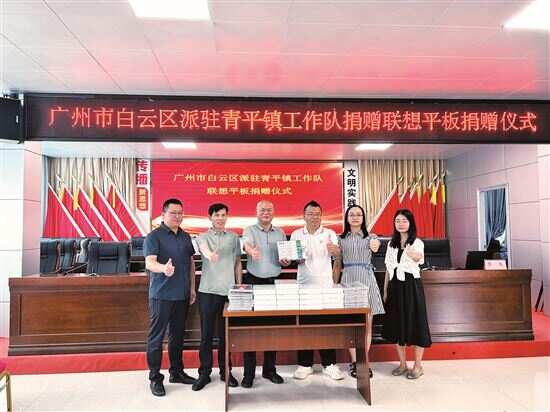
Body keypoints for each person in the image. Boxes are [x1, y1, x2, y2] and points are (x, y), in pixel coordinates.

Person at [144, 198, 197, 397]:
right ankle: (155, 378)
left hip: (182, 295)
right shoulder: (154, 236)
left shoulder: (185, 236)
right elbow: (149, 262)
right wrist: (163, 269)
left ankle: (176, 372)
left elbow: (191, 263)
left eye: (180, 213)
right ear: (163, 214)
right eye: (173, 213)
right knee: (156, 338)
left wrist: (192, 288)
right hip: (161, 295)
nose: (177, 216)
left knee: (177, 336)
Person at [290, 200, 344, 381]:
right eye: (310, 214)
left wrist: (336, 251)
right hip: (304, 286)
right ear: (304, 216)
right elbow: (295, 259)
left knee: (327, 326)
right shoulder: (297, 234)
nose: (313, 217)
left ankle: (329, 364)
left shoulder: (330, 233)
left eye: (317, 214)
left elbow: (337, 256)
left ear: (321, 216)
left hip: (325, 287)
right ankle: (305, 365)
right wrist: (296, 257)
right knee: (304, 325)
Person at [192, 203, 242, 391]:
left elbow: (237, 262)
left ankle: (225, 371)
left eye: (223, 215)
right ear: (210, 218)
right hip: (207, 291)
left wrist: (239, 286)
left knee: (225, 335)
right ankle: (204, 373)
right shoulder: (202, 237)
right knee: (206, 335)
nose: (220, 218)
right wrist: (209, 255)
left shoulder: (233, 237)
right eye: (217, 215)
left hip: (228, 292)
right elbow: (204, 249)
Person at [241, 200, 288, 388]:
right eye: (262, 210)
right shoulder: (250, 230)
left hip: (274, 283)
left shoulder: (280, 232)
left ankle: (269, 370)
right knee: (251, 329)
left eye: (269, 210)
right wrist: (251, 250)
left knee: (272, 329)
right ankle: (249, 374)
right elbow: (246, 244)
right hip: (254, 282)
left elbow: (284, 257)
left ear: (273, 212)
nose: (266, 213)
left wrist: (285, 261)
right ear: (256, 212)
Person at [333, 204, 384, 379]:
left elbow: (375, 246)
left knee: (367, 324)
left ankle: (364, 361)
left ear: (363, 218)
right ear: (347, 218)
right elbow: (337, 264)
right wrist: (334, 284)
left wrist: (375, 244)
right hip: (347, 280)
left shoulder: (371, 237)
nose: (355, 217)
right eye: (352, 215)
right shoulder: (340, 239)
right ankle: (355, 362)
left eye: (359, 215)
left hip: (366, 280)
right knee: (351, 325)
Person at [382, 209, 432, 379]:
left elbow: (419, 258)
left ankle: (418, 366)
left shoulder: (417, 242)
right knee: (398, 325)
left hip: (411, 286)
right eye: (398, 221)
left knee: (417, 324)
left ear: (410, 223)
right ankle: (403, 364)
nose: (401, 224)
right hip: (395, 286)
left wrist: (412, 254)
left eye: (404, 220)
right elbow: (388, 269)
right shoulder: (391, 244)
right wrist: (385, 291)